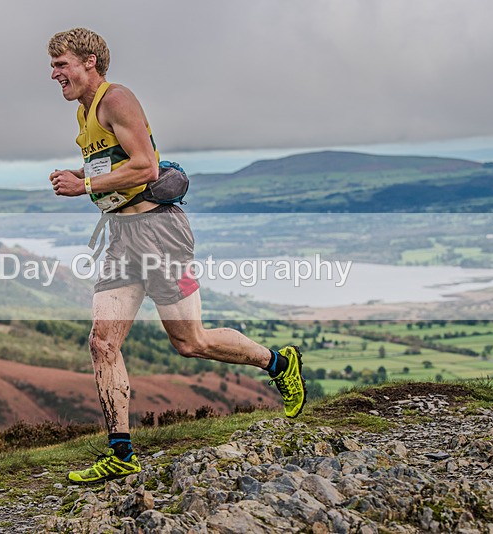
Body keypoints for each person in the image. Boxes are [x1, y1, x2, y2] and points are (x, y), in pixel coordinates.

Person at [47, 28, 306, 484]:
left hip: (159, 234)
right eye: (53, 66)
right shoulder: (85, 112)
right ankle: (121, 453)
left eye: (61, 64)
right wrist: (82, 173)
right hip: (121, 236)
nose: (54, 74)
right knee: (102, 342)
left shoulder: (116, 99)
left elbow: (146, 166)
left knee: (191, 342)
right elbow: (116, 164)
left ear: (90, 62)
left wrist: (83, 185)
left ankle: (279, 363)